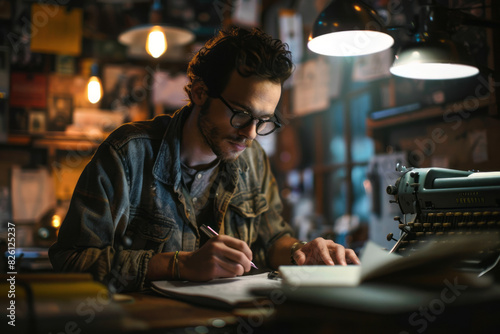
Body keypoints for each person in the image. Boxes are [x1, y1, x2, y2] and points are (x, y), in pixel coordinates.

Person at [49, 27, 360, 292]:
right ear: (200, 92)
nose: (250, 134)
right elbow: (70, 261)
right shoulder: (127, 154)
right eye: (241, 114)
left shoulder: (253, 160)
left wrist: (301, 253)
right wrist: (178, 265)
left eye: (264, 121)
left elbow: (272, 238)